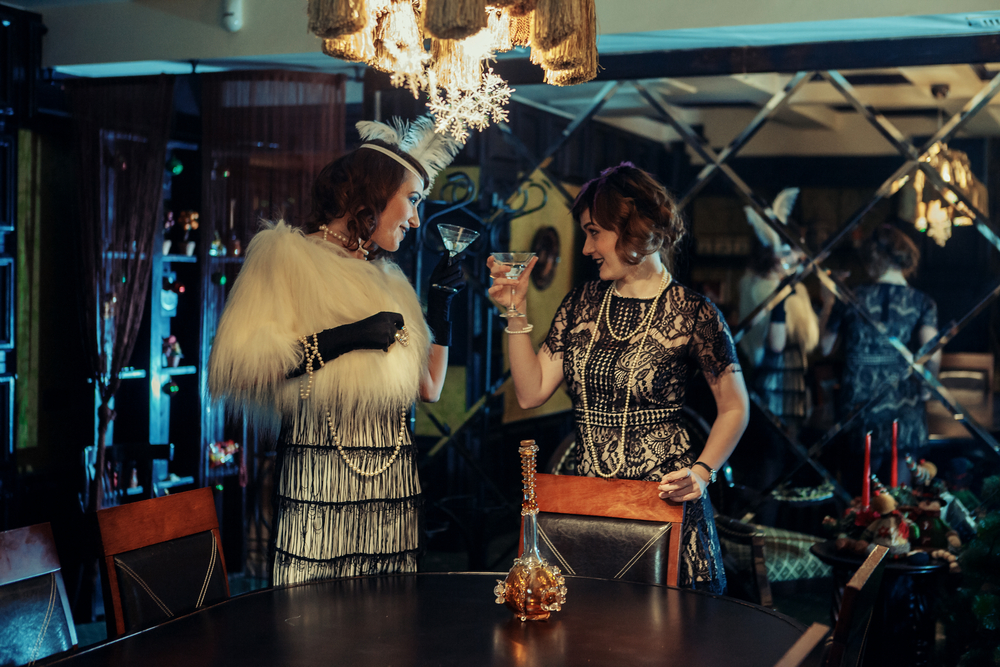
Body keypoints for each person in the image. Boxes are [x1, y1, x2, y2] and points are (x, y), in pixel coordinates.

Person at [208, 117, 463, 585]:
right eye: (411, 200)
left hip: (393, 490)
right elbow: (241, 367)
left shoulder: (391, 279)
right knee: (315, 632)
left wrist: (442, 312)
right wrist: (347, 337)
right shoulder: (284, 255)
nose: (415, 219)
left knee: (389, 632)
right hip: (318, 482)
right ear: (373, 195)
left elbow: (429, 388)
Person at [489, 162, 749, 594]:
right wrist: (515, 309)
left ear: (635, 229)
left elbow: (735, 406)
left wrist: (703, 473)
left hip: (663, 503)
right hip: (588, 506)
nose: (587, 246)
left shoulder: (694, 313)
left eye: (595, 232)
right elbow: (531, 392)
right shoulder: (581, 304)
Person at [819, 223, 940, 493]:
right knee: (901, 500)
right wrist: (927, 390)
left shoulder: (851, 297)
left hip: (860, 411)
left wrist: (828, 301)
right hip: (905, 410)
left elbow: (825, 347)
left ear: (873, 258)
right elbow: (932, 350)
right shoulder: (922, 302)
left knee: (861, 501)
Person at [737, 189, 819, 436]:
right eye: (790, 252)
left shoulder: (794, 289)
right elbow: (774, 345)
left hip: (794, 378)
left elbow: (811, 341)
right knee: (772, 452)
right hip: (773, 379)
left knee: (785, 455)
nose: (798, 258)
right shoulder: (761, 287)